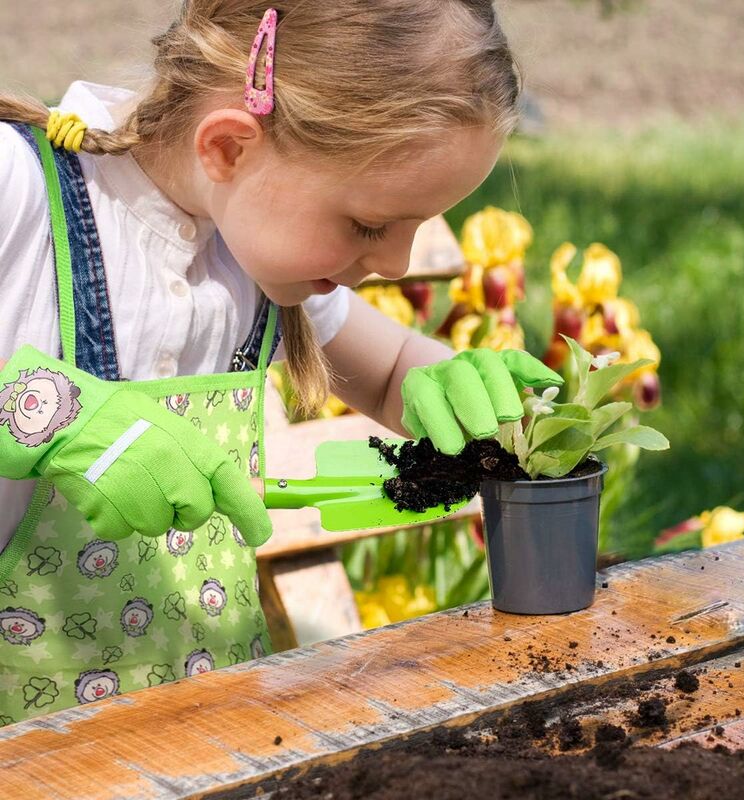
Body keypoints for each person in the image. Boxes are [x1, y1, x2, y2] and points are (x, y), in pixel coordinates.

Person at [0, 0, 561, 723]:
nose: (395, 263)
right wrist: (49, 414)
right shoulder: (19, 193)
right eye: (368, 224)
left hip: (205, 737)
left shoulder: (244, 244)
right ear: (229, 149)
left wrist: (439, 381)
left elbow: (389, 370)